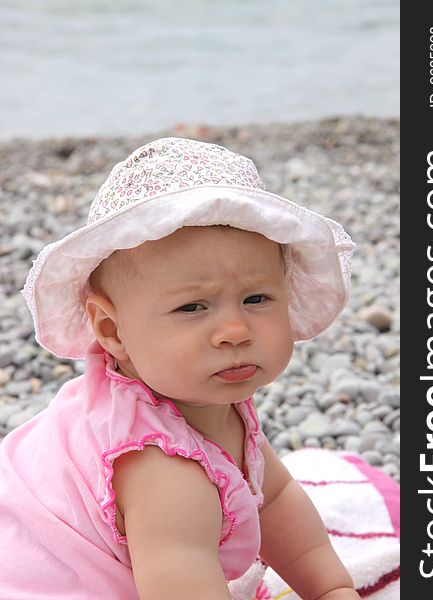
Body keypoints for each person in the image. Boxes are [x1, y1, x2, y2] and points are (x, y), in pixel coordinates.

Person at [0, 137, 360, 599]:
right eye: (192, 307)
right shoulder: (159, 466)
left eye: (256, 299)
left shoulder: (205, 397)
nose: (234, 330)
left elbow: (275, 500)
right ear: (112, 330)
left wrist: (331, 588)